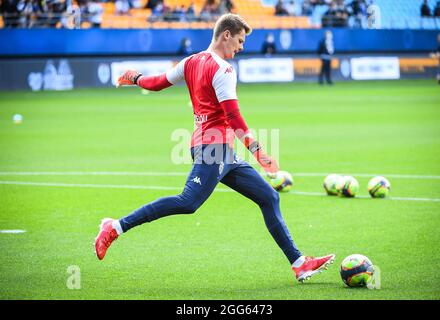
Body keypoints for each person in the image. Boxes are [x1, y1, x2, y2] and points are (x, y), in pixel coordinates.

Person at [94, 13, 335, 283]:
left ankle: (299, 263)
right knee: (188, 202)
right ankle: (114, 227)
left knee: (269, 198)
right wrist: (259, 152)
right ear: (226, 35)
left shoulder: (190, 61)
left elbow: (158, 83)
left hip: (222, 151)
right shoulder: (223, 70)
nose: (241, 47)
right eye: (240, 41)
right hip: (213, 149)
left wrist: (134, 77)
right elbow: (234, 118)